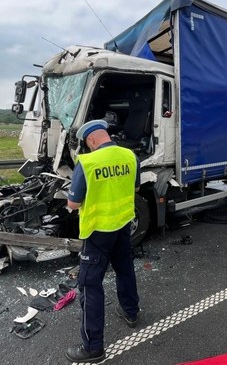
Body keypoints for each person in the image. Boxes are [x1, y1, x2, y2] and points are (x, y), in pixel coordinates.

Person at [65, 120, 141, 363]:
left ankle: (92, 347)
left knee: (90, 285)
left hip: (98, 231)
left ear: (91, 140)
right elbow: (135, 187)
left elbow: (73, 204)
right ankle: (130, 312)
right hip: (123, 225)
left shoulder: (87, 162)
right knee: (125, 269)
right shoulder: (129, 155)